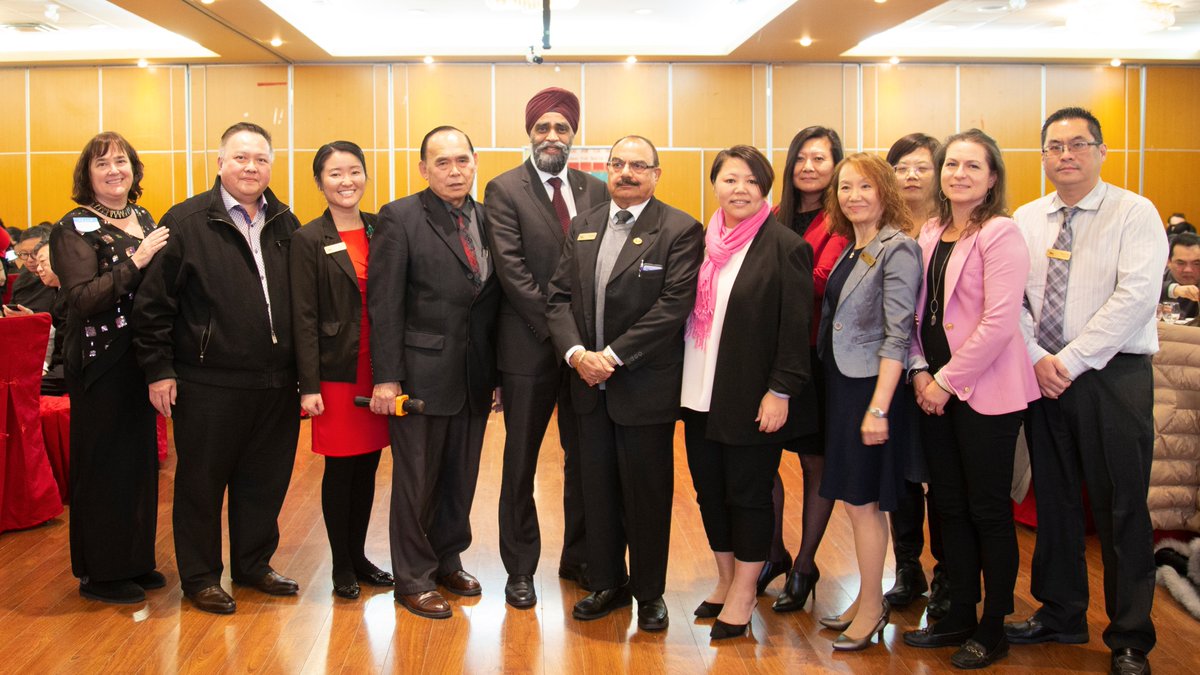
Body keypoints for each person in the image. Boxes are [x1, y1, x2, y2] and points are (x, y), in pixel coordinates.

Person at [1006, 107, 1165, 675]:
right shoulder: (1027, 218)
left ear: (1100, 151)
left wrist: (1068, 361)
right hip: (1042, 377)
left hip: (1112, 376)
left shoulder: (1134, 212)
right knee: (1053, 500)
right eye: (1054, 146)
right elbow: (1014, 302)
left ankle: (1129, 637)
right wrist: (1037, 358)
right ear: (1043, 155)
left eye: (1078, 144)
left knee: (1121, 507)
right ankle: (1061, 613)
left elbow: (1136, 298)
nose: (1065, 155)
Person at [134, 121, 303, 615]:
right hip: (207, 381)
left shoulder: (286, 222)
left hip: (275, 382)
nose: (252, 168)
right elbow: (153, 306)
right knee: (201, 485)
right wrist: (158, 369)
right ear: (220, 162)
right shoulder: (185, 222)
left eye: (261, 160)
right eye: (241, 158)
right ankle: (201, 576)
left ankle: (252, 565)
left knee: (264, 482)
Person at [546, 135, 703, 632]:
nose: (626, 173)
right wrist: (576, 355)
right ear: (606, 171)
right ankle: (607, 582)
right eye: (618, 164)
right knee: (597, 491)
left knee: (648, 494)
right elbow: (557, 298)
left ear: (657, 174)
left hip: (643, 388)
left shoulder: (678, 229)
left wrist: (610, 357)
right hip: (587, 389)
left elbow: (672, 307)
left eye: (638, 165)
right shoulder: (585, 224)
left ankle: (649, 593)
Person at [900, 129, 1038, 669]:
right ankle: (957, 612)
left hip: (985, 394)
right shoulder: (931, 230)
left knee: (987, 511)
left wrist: (946, 381)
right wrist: (917, 371)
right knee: (948, 507)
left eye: (972, 166)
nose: (958, 174)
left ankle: (993, 625)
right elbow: (917, 314)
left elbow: (1001, 321)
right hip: (933, 392)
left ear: (992, 177)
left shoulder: (1000, 233)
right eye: (951, 164)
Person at [680, 145, 814, 640]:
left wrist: (780, 390)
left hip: (751, 394)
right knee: (708, 491)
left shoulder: (785, 247)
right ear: (715, 183)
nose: (740, 190)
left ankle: (744, 589)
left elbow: (794, 330)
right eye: (730, 179)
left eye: (752, 182)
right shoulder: (698, 242)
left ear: (766, 190)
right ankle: (724, 577)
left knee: (748, 494)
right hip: (697, 390)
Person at [368, 126, 501, 620]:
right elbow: (383, 305)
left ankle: (448, 559)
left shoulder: (488, 219)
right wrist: (388, 378)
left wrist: (500, 375)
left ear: (474, 162)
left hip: (474, 376)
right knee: (416, 481)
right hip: (420, 376)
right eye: (441, 162)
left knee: (460, 477)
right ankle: (413, 577)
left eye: (462, 160)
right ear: (423, 168)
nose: (454, 170)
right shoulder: (399, 217)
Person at [484, 87, 608, 608]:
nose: (552, 136)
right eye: (543, 128)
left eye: (561, 128)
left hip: (586, 358)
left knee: (585, 460)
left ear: (574, 134)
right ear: (529, 132)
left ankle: (580, 557)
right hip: (529, 349)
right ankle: (519, 569)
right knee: (521, 462)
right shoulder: (504, 189)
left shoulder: (596, 189)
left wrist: (584, 349)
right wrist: (567, 341)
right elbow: (512, 273)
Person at [47, 132, 170, 604]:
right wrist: (137, 260)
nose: (114, 170)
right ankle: (100, 572)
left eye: (121, 161)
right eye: (103, 164)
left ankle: (134, 560)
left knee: (139, 462)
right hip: (99, 362)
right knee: (103, 467)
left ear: (134, 169)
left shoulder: (141, 216)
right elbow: (80, 298)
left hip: (141, 354)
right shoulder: (72, 227)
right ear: (88, 175)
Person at [816, 153, 921, 651]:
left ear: (885, 191)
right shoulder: (853, 247)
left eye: (864, 187)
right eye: (844, 188)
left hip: (870, 391)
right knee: (860, 504)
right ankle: (867, 597)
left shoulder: (898, 248)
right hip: (842, 386)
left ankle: (874, 607)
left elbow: (898, 335)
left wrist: (879, 407)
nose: (853, 196)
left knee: (865, 503)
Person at [290, 141, 393, 601]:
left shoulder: (381, 227)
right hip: (336, 371)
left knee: (369, 467)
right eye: (335, 173)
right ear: (319, 182)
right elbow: (304, 316)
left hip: (379, 367)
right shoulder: (308, 238)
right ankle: (340, 565)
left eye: (354, 171)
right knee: (341, 469)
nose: (346, 181)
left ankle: (359, 556)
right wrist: (308, 384)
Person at [768, 126, 850, 612]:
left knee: (814, 461)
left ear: (835, 165)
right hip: (770, 354)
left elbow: (824, 281)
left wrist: (765, 276)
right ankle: (774, 552)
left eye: (820, 159)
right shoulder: (775, 216)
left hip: (817, 356)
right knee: (762, 459)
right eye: (800, 157)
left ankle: (805, 562)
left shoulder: (841, 219)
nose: (809, 167)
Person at [883, 132, 950, 616]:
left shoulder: (955, 227)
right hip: (893, 369)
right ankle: (908, 568)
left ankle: (950, 573)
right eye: (901, 167)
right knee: (900, 477)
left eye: (921, 167)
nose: (910, 175)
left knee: (944, 476)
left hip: (944, 372)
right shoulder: (878, 225)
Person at [10, 225, 58, 313]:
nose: (29, 260)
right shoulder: (21, 280)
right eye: (24, 254)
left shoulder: (58, 280)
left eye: (35, 253)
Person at [1162, 231, 1200, 321]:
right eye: (1181, 263)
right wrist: (1173, 289)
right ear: (1168, 262)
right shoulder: (1158, 278)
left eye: (1196, 263)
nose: (1188, 270)